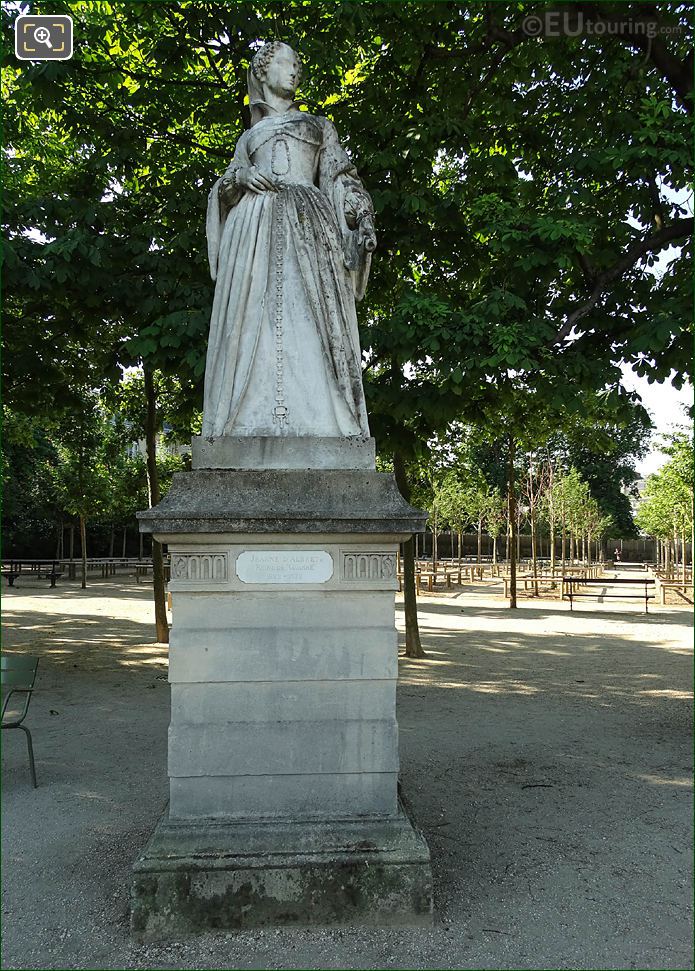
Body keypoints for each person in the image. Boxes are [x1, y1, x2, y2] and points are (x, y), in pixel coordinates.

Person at [202, 42, 377, 439]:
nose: (294, 70)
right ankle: (245, 423)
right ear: (262, 72)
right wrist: (239, 179)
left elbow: (339, 177)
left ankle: (324, 424)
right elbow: (225, 190)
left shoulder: (318, 126)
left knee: (314, 318)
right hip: (254, 229)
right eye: (286, 62)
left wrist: (360, 212)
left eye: (298, 64)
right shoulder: (247, 139)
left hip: (310, 227)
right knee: (251, 322)